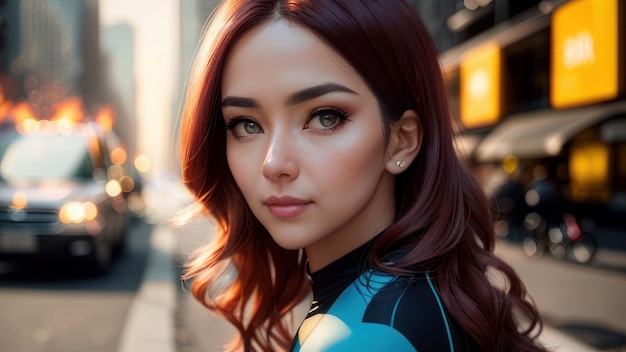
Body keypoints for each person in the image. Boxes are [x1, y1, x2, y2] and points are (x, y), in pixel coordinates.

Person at [179, 1, 546, 351]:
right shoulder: (426, 292)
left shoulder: (363, 337)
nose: (273, 163)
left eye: (325, 117)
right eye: (246, 124)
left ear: (401, 141)